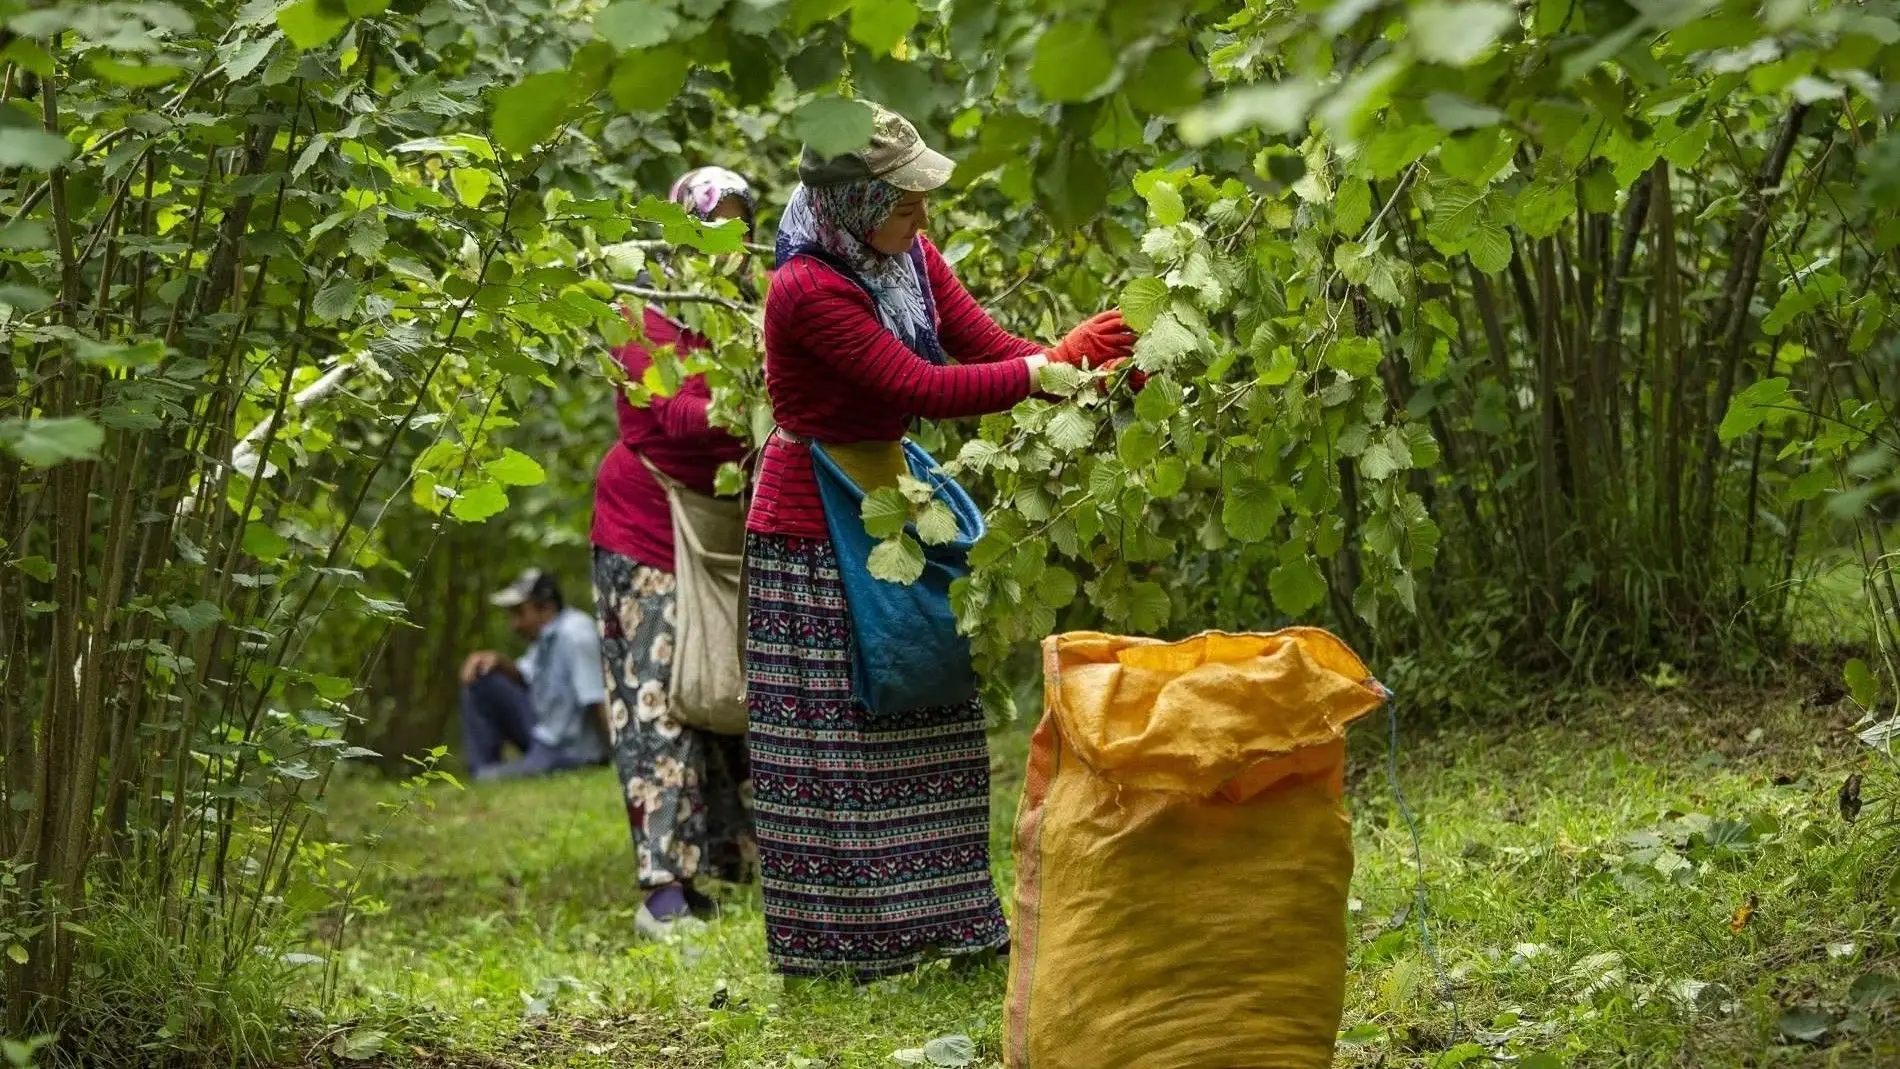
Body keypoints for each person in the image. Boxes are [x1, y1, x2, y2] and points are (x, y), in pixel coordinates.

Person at [743, 103, 1137, 978]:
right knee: (839, 731)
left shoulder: (908, 258)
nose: (925, 215)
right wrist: (1044, 369)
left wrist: (1083, 372)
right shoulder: (805, 287)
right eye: (908, 200)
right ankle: (848, 947)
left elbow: (988, 347)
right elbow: (921, 381)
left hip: (892, 499)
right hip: (815, 519)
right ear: (853, 198)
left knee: (927, 696)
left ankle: (947, 923)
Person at [591, 166, 758, 936]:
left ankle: (727, 867)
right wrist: (761, 399)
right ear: (678, 233)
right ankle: (662, 893)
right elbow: (679, 414)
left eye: (736, 225)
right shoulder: (644, 314)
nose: (722, 242)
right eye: (707, 225)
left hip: (724, 533)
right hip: (645, 529)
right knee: (657, 700)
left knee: (725, 691)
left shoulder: (747, 312)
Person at [459, 568, 608, 781]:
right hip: (545, 733)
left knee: (489, 778)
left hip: (569, 751)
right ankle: (481, 770)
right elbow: (524, 676)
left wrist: (619, 758)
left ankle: (486, 776)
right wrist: (497, 661)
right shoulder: (545, 638)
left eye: (519, 613)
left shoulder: (576, 635)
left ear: (545, 607)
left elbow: (597, 701)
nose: (514, 624)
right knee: (482, 681)